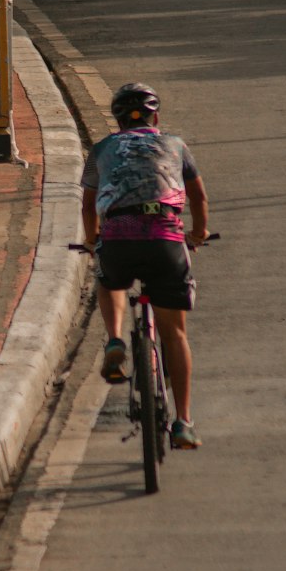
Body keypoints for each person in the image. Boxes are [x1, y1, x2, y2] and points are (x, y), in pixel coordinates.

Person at [81, 83, 210, 450]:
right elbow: (199, 197)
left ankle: (116, 340)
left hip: (119, 237)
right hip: (165, 240)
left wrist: (93, 241)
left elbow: (89, 205)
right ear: (156, 116)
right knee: (175, 335)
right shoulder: (175, 145)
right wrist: (198, 234)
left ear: (118, 120)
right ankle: (183, 422)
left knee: (110, 279)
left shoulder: (102, 149)